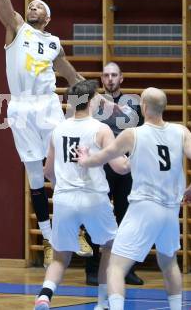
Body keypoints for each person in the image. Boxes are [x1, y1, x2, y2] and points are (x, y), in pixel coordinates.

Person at [0, 0, 91, 267]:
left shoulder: (53, 43)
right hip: (21, 108)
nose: (32, 7)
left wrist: (99, 100)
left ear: (49, 17)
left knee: (65, 172)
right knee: (35, 176)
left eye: (39, 6)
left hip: (48, 106)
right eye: (30, 4)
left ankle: (77, 228)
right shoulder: (15, 27)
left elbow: (72, 77)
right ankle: (48, 237)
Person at [78, 87, 191, 310]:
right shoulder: (182, 132)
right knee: (169, 263)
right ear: (164, 107)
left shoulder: (133, 134)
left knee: (115, 267)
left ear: (143, 106)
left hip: (144, 207)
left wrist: (85, 160)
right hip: (171, 210)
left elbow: (103, 157)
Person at [34, 80, 130, 310]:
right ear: (91, 101)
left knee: (60, 257)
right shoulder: (101, 129)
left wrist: (63, 183)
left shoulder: (58, 130)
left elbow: (47, 171)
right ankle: (102, 303)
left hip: (64, 198)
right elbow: (119, 167)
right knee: (111, 247)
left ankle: (45, 296)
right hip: (93, 196)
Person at [85, 62, 144, 286]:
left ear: (122, 78)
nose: (110, 78)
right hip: (100, 167)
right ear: (101, 79)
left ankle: (126, 270)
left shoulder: (135, 103)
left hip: (126, 167)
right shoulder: (93, 103)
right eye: (106, 75)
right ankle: (92, 270)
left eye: (114, 75)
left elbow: (142, 135)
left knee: (127, 219)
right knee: (96, 216)